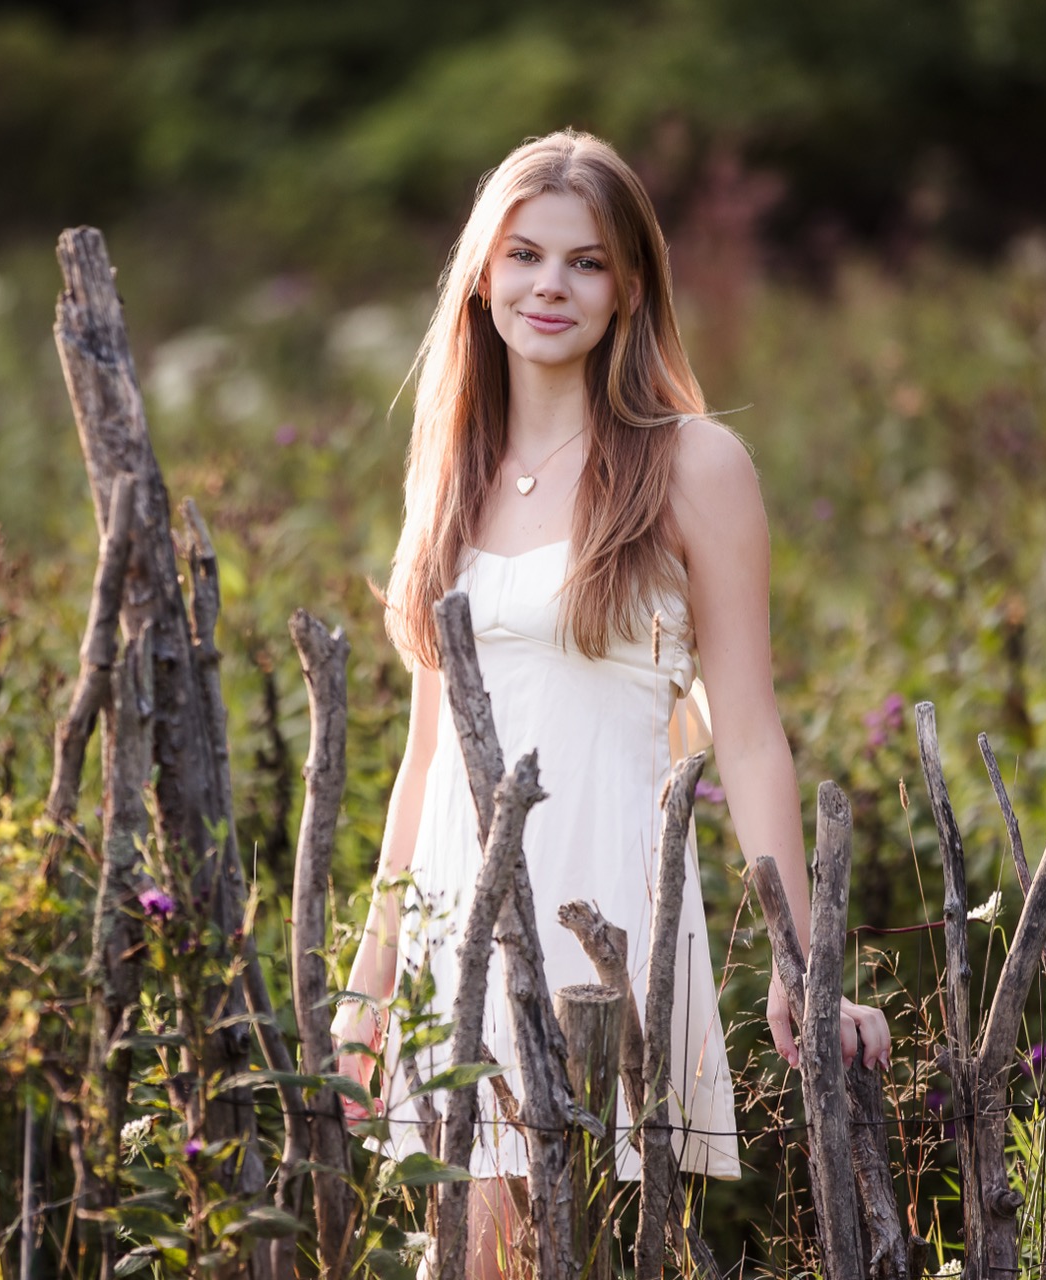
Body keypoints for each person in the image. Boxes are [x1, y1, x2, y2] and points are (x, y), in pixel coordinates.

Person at [331, 130, 891, 1277]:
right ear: (482, 276)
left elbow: (747, 729)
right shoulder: (448, 475)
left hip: (605, 916)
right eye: (525, 254)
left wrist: (798, 957)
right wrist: (365, 989)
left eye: (586, 262)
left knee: (569, 1246)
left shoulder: (692, 464)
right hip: (462, 921)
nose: (551, 285)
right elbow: (425, 756)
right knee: (474, 1252)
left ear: (629, 285)